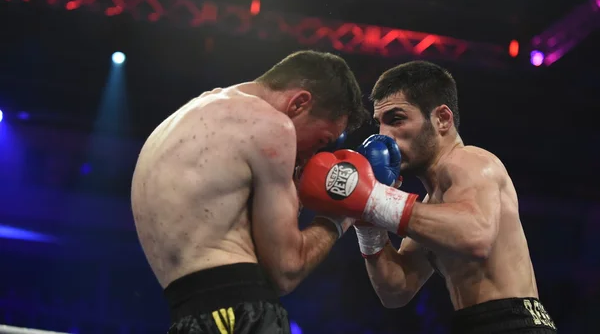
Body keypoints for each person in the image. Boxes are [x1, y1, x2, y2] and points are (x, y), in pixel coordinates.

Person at [298, 60, 557, 333]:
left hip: (515, 324)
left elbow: (475, 236)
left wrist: (373, 199)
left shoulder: (472, 161)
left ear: (442, 119)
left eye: (397, 119)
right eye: (380, 124)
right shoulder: (432, 206)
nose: (384, 135)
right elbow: (396, 290)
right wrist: (367, 220)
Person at [131, 50, 369, 333]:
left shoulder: (181, 121)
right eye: (320, 141)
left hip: (188, 317)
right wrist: (340, 216)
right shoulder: (272, 125)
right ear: (299, 103)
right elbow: (286, 271)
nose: (311, 156)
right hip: (241, 316)